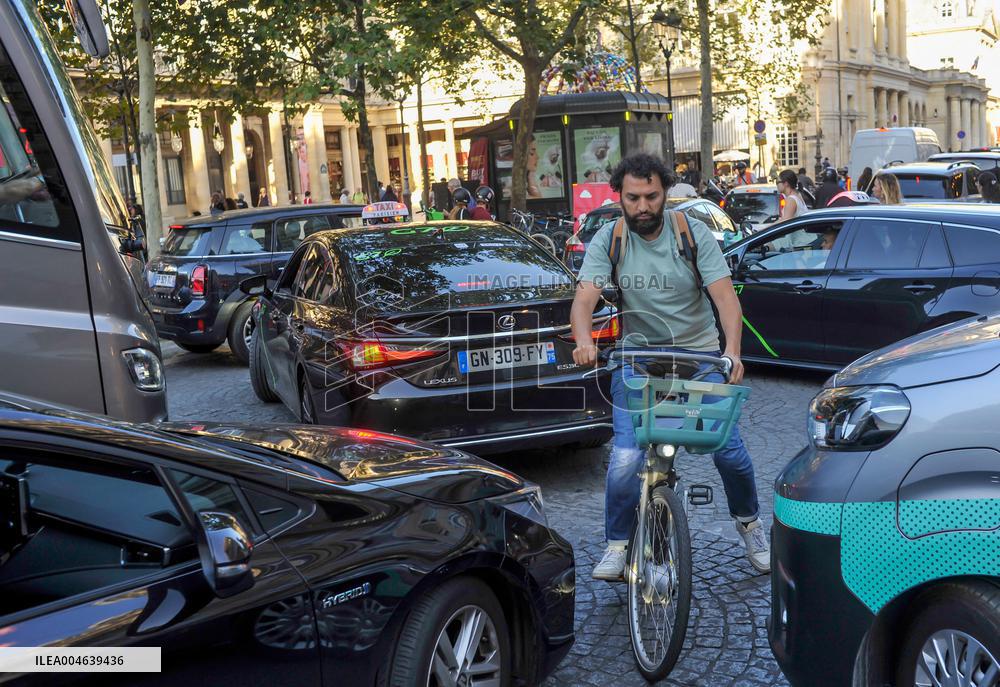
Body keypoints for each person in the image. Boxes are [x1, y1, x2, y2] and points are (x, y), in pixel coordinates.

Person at [570, 153, 770, 581]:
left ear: (665, 193)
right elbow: (585, 298)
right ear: (619, 196)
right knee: (625, 457)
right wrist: (584, 340)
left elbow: (724, 299)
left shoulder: (692, 234)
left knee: (729, 452)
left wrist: (733, 350)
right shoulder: (611, 238)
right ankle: (618, 545)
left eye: (652, 196)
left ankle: (750, 524)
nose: (643, 206)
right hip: (637, 358)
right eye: (633, 197)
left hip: (698, 358)